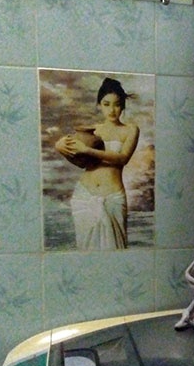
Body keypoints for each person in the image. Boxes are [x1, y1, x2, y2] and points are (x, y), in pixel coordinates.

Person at [55, 77, 140, 250]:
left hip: (113, 196)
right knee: (86, 252)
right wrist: (60, 145)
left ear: (123, 106)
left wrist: (87, 150)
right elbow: (78, 158)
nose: (112, 110)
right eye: (106, 104)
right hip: (84, 195)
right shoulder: (92, 131)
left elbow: (122, 158)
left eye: (117, 104)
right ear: (99, 105)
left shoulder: (130, 130)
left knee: (115, 251)